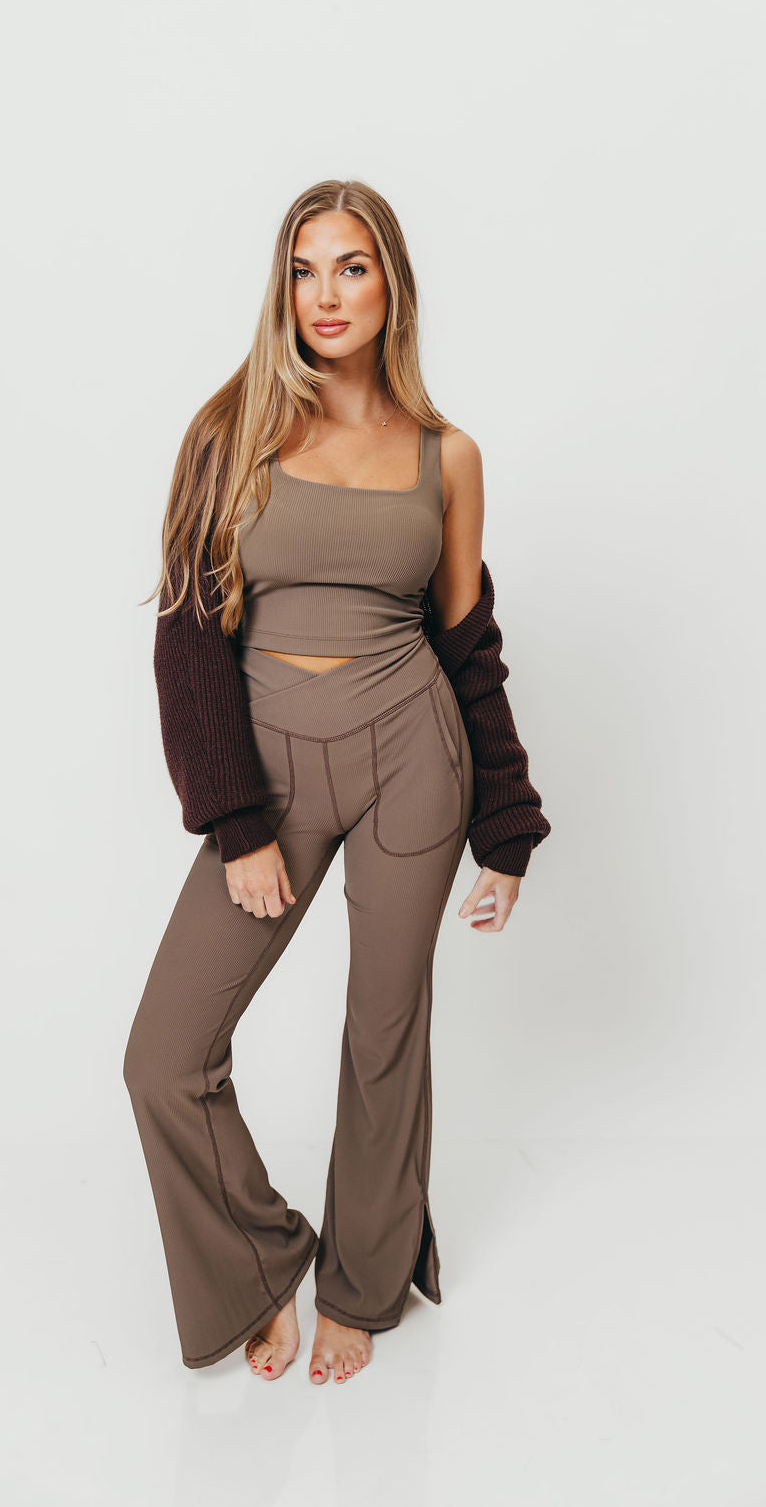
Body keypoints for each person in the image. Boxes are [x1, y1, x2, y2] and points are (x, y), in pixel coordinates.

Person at [122, 179, 551, 1387]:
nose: (326, 293)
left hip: (414, 754)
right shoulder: (230, 433)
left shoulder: (446, 456)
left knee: (384, 1035)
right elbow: (187, 636)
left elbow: (467, 644)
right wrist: (234, 818)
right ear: (282, 288)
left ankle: (362, 1283)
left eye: (351, 266)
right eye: (304, 269)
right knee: (164, 1056)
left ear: (390, 285)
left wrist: (507, 826)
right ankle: (261, 1261)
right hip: (266, 768)